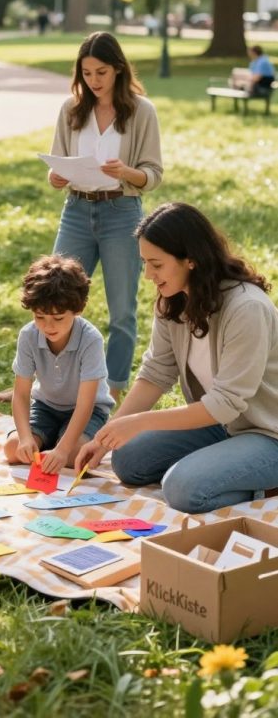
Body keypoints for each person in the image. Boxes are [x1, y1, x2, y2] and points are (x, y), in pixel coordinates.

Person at [75, 203, 278, 514]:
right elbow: (155, 374)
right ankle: (226, 462)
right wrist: (105, 438)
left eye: (156, 264)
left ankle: (262, 484)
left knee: (182, 489)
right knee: (126, 459)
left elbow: (226, 403)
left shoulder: (247, 308)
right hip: (220, 426)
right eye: (144, 263)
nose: (147, 276)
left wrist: (139, 422)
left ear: (191, 260)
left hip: (267, 433)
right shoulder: (173, 302)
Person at [48, 32, 162, 401]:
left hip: (121, 213)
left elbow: (153, 175)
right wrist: (55, 177)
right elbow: (56, 168)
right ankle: (50, 383)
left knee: (122, 310)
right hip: (76, 210)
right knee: (54, 295)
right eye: (87, 73)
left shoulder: (141, 111)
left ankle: (112, 391)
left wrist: (126, 172)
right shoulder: (71, 109)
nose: (94, 81)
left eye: (101, 72)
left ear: (118, 70)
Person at [4, 255, 113, 473]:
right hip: (46, 407)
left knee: (74, 457)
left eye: (59, 318)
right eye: (40, 317)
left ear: (78, 309)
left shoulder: (91, 339)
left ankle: (57, 441)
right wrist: (25, 438)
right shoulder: (28, 335)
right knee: (12, 448)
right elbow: (22, 394)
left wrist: (62, 450)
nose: (48, 326)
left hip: (88, 412)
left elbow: (85, 404)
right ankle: (50, 438)